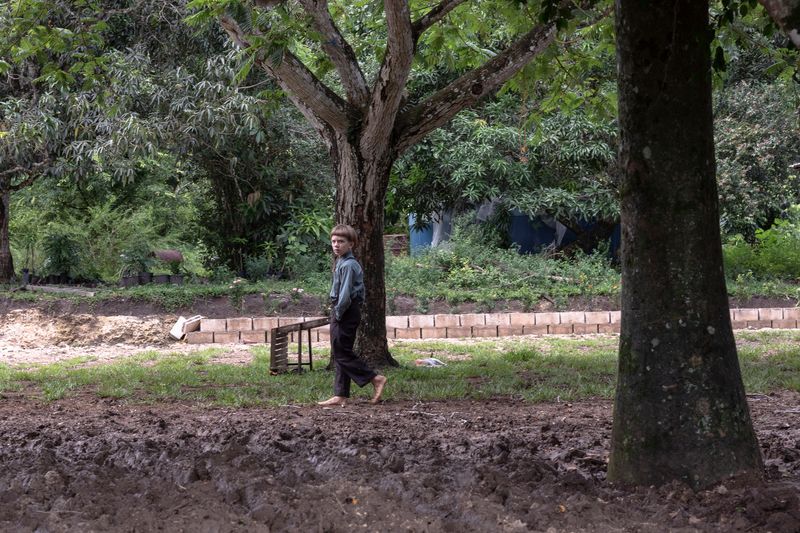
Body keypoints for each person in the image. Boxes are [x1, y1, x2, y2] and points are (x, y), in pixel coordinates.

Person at [317, 224, 387, 406]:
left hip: (346, 310)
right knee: (340, 350)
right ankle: (340, 394)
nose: (336, 245)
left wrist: (338, 313)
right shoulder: (341, 262)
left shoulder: (349, 265)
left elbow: (346, 294)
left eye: (341, 241)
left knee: (342, 352)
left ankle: (375, 378)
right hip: (343, 309)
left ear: (351, 244)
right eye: (333, 241)